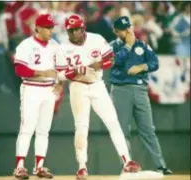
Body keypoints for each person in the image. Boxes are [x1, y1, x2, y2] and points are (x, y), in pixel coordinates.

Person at [57, 14, 141, 180]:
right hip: (78, 86)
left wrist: (99, 64)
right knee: (81, 127)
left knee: (113, 122)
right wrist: (74, 71)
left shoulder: (96, 39)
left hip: (97, 85)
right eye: (71, 30)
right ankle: (82, 167)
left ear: (83, 28)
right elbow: (59, 74)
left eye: (76, 29)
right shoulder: (63, 47)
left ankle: (127, 161)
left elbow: (111, 59)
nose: (74, 33)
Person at [109, 16, 172, 175]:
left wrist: (143, 66)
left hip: (140, 89)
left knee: (148, 130)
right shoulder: (112, 46)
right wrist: (128, 47)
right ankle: (126, 166)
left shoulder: (142, 45)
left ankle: (161, 165)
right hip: (121, 89)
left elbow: (155, 62)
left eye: (128, 27)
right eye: (124, 29)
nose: (128, 30)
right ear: (116, 31)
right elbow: (113, 61)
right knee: (123, 131)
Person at [13, 13, 64, 179]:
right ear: (38, 28)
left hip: (49, 90)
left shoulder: (55, 44)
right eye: (48, 27)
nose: (51, 30)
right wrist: (42, 72)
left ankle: (39, 166)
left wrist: (60, 81)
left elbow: (61, 68)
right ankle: (20, 166)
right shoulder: (26, 45)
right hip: (31, 88)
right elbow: (19, 69)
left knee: (44, 130)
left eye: (52, 27)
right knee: (27, 128)